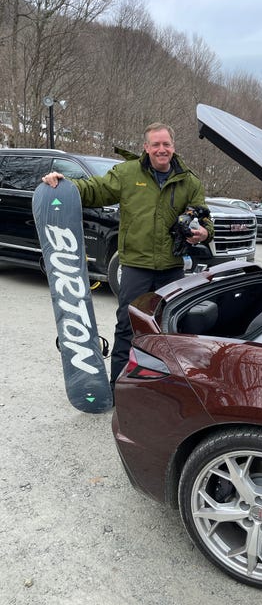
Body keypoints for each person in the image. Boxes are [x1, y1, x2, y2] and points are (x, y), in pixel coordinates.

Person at [42, 123, 214, 398]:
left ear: (173, 146)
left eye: (166, 144)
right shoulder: (127, 173)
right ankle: (118, 388)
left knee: (168, 330)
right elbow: (95, 189)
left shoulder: (188, 181)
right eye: (155, 144)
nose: (161, 149)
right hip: (135, 266)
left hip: (171, 269)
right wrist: (64, 185)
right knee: (127, 326)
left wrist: (204, 232)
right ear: (145, 147)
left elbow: (204, 217)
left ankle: (163, 390)